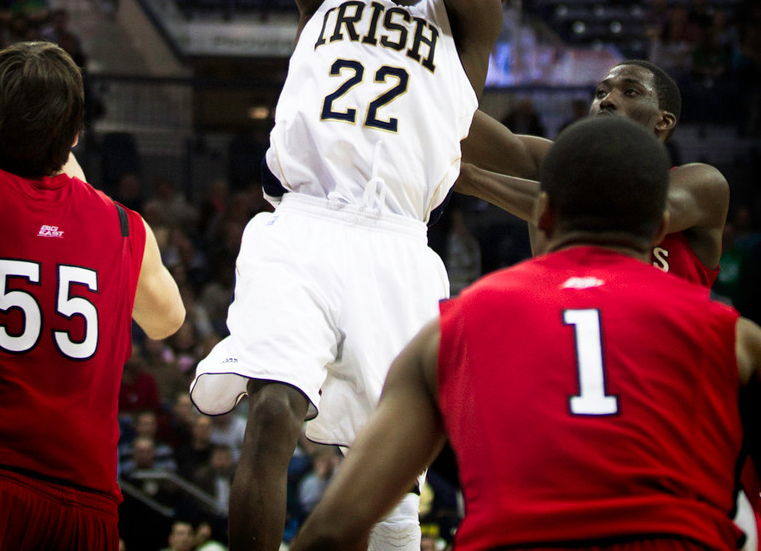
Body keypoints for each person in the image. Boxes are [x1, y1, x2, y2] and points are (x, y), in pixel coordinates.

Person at [189, 0, 559, 551]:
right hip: (303, 224)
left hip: (397, 244)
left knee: (385, 466)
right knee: (272, 412)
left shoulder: (466, 16)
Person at [291, 116, 761, 551]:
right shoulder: (736, 339)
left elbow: (334, 529)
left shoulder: (454, 329)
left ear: (543, 214)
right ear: (660, 226)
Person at [0, 40, 186, 551]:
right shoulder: (122, 225)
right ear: (73, 134)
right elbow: (168, 321)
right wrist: (81, 191)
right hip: (84, 499)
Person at [458, 58, 729, 286]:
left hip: (664, 346)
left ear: (664, 119)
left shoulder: (703, 183)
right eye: (600, 93)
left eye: (630, 92)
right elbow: (458, 126)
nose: (607, 100)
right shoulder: (558, 164)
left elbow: (626, 211)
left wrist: (471, 179)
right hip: (575, 343)